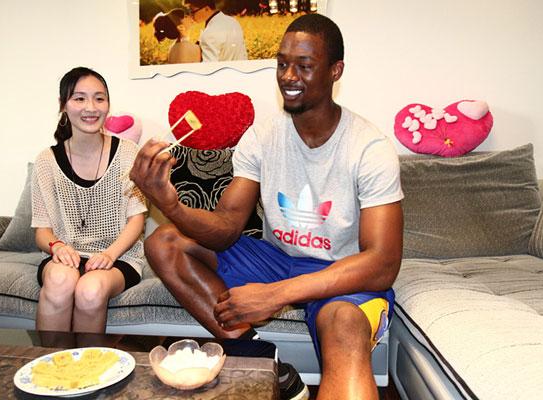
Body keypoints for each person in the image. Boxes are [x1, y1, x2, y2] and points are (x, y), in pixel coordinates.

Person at [130, 13, 404, 400]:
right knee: (164, 241)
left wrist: (276, 294)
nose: (289, 76)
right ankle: (263, 359)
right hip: (279, 258)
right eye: (282, 64)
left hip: (342, 274)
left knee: (344, 324)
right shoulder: (261, 137)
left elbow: (383, 263)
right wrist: (169, 204)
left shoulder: (370, 148)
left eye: (304, 66)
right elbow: (226, 228)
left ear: (335, 70)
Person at [31, 67, 147, 334]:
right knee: (60, 282)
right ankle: (52, 370)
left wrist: (109, 254)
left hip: (119, 256)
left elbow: (136, 219)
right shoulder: (46, 160)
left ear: (108, 104)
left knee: (90, 290)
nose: (91, 107)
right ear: (63, 106)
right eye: (79, 98)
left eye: (99, 98)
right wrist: (57, 247)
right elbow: (42, 231)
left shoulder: (127, 152)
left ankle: (90, 373)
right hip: (66, 257)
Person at [182, 0, 248, 62]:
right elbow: (243, 55)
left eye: (192, 11)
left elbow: (209, 67)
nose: (191, 15)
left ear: (206, 9)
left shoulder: (209, 32)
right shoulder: (233, 21)